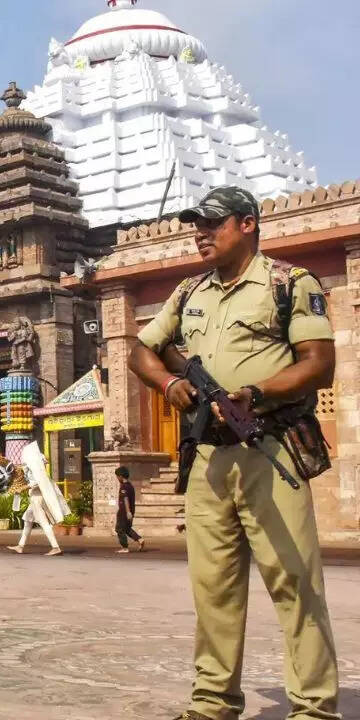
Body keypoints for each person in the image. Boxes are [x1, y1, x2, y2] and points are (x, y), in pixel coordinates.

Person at [128, 186, 339, 720]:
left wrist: (258, 392)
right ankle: (212, 703)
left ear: (247, 224)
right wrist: (170, 386)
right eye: (196, 225)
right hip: (208, 460)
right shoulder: (187, 292)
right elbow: (140, 351)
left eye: (212, 224)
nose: (200, 233)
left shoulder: (289, 283)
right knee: (213, 589)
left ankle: (314, 708)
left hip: (270, 449)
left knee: (294, 581)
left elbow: (318, 363)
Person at [6, 442, 67, 557]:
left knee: (44, 523)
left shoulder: (34, 468)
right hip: (36, 496)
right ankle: (20, 546)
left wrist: (22, 488)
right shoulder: (37, 467)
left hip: (36, 498)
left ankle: (55, 547)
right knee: (28, 520)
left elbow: (36, 482)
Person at [114, 466, 144, 554]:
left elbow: (125, 499)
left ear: (120, 476)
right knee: (127, 528)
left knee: (119, 529)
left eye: (117, 476)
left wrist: (127, 511)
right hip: (130, 510)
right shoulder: (130, 486)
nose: (117, 478)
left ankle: (124, 547)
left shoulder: (123, 487)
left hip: (124, 511)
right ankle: (139, 539)